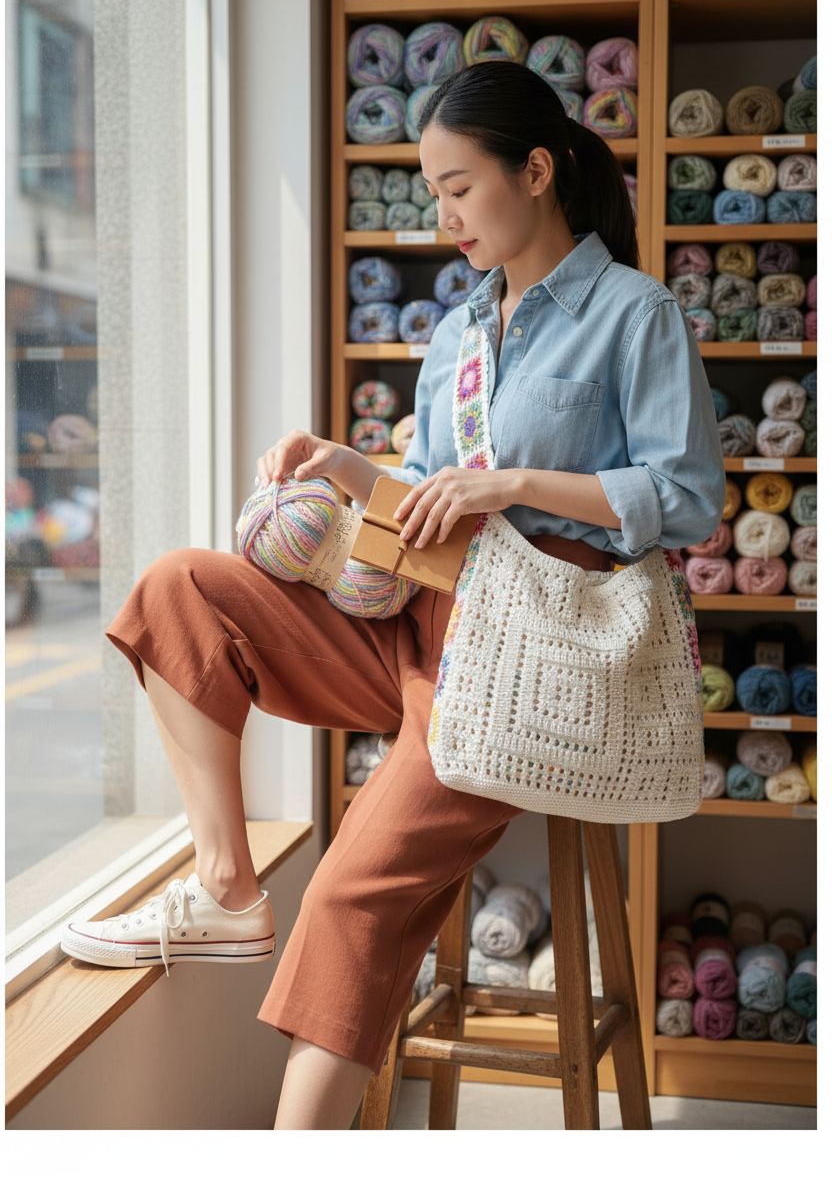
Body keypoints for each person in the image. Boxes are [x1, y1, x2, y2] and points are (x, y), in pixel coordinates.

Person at [60, 60, 725, 1129]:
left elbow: (687, 497)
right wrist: (344, 467)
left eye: (459, 186)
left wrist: (512, 482)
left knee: (346, 891)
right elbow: (427, 501)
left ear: (537, 171)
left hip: (536, 660)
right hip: (420, 621)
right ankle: (229, 889)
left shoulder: (630, 313)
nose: (444, 213)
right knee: (180, 588)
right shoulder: (457, 332)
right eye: (433, 193)